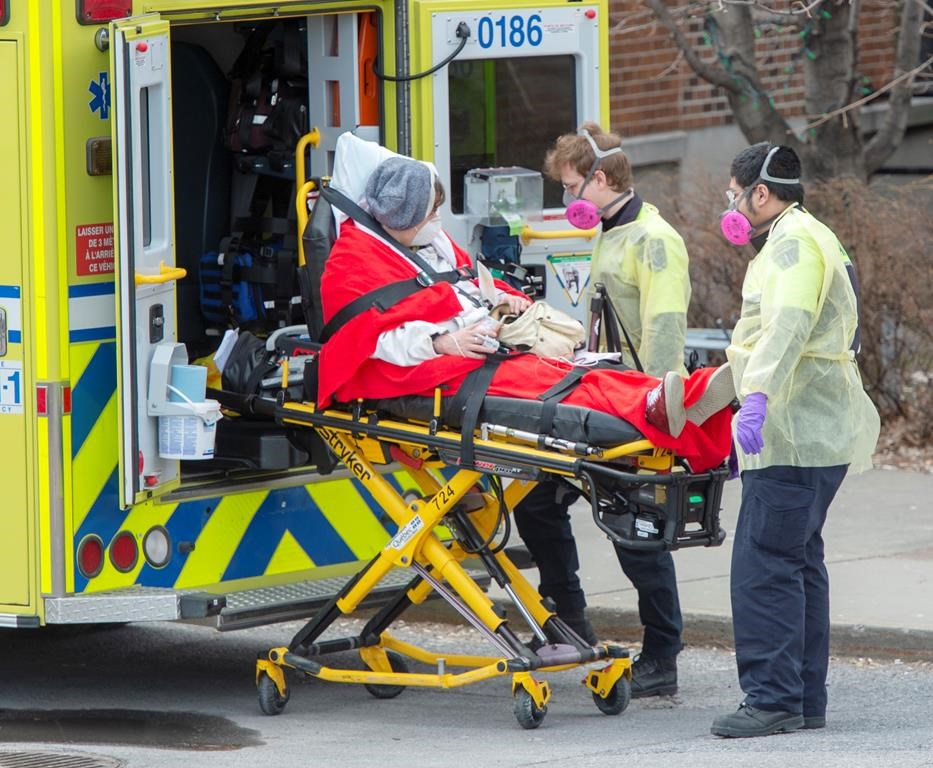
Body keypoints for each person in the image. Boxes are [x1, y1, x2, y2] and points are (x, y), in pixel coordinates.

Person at [316, 155, 734, 469]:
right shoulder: (355, 261)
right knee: (556, 383)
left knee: (577, 371)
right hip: (430, 372)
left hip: (475, 346)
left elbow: (465, 283)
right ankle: (657, 403)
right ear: (403, 214)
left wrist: (500, 300)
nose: (437, 221)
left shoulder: (422, 244)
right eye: (430, 212)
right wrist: (443, 341)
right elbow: (363, 339)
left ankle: (681, 398)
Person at [511, 123, 714, 697]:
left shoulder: (653, 240)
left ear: (601, 179)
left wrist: (661, 415)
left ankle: (662, 656)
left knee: (639, 534)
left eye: (574, 188)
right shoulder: (612, 229)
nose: (569, 200)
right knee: (541, 503)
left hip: (637, 409)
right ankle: (569, 621)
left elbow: (665, 332)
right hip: (603, 398)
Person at [710, 143, 880, 738]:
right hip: (811, 427)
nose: (730, 205)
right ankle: (804, 698)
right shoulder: (812, 234)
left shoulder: (789, 245)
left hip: (791, 427)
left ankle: (773, 699)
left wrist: (754, 397)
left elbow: (784, 327)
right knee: (798, 562)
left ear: (761, 193)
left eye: (735, 193)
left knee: (764, 566)